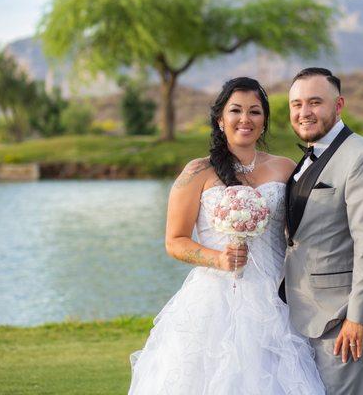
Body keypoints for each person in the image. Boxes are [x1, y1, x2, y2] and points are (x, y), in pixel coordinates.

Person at [128, 77, 325, 394]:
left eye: (255, 112)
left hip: (276, 296)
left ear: (264, 121)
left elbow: (303, 231)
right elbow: (175, 241)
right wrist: (217, 259)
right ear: (220, 120)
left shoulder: (287, 168)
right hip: (214, 298)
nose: (245, 119)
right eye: (236, 111)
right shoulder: (197, 172)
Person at [281, 67, 363, 395]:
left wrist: (358, 318)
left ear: (338, 105)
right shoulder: (313, 155)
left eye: (315, 102)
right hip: (310, 311)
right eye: (296, 104)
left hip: (345, 317)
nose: (304, 112)